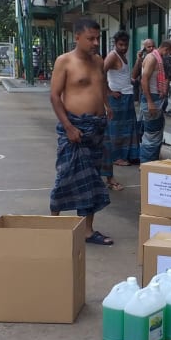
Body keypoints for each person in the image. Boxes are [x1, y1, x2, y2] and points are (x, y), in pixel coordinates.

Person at [49, 17, 113, 245]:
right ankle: (53, 226)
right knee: (65, 175)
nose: (96, 42)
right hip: (74, 128)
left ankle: (87, 230)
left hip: (96, 128)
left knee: (92, 179)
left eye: (98, 38)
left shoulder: (98, 61)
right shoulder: (64, 61)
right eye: (90, 38)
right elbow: (55, 96)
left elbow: (100, 84)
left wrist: (106, 105)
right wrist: (68, 127)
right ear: (77, 37)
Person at [102, 30, 138, 190]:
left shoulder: (123, 56)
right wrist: (109, 92)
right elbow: (100, 73)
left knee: (128, 127)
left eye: (125, 45)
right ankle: (117, 157)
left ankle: (126, 155)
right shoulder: (112, 56)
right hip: (118, 97)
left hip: (126, 95)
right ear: (115, 44)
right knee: (117, 129)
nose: (123, 47)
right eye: (120, 45)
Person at [138, 39, 171, 163]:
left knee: (155, 131)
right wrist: (150, 102)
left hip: (156, 98)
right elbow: (144, 80)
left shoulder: (157, 58)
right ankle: (147, 163)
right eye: (170, 53)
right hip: (152, 99)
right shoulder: (152, 58)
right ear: (166, 49)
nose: (169, 56)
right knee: (152, 134)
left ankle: (150, 162)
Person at [131, 38, 155, 102]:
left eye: (153, 46)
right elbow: (134, 76)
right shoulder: (142, 60)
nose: (151, 48)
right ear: (144, 49)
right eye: (149, 47)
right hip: (145, 93)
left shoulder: (158, 58)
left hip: (156, 93)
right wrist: (138, 59)